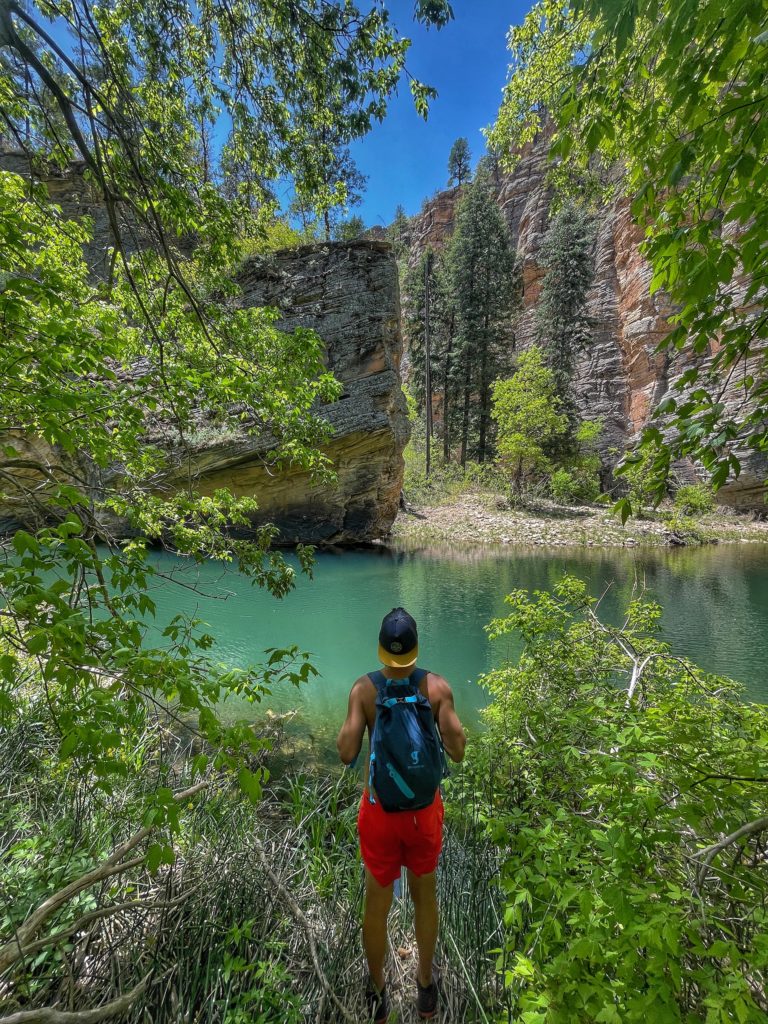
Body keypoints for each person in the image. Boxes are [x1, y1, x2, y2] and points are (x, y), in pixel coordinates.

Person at [336, 607, 466, 1023]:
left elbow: (346, 753)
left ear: (381, 650)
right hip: (424, 814)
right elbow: (458, 751)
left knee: (377, 905)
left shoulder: (364, 689)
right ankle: (425, 988)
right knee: (424, 897)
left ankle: (377, 995)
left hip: (380, 815)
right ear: (415, 648)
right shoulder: (438, 687)